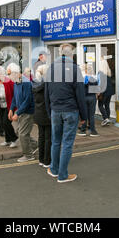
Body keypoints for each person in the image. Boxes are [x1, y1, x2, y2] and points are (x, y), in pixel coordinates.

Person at [44, 43, 87, 183]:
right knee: (67, 143)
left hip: (55, 110)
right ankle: (62, 175)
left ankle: (54, 169)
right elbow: (80, 94)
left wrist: (49, 111)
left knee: (56, 141)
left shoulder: (51, 68)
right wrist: (84, 116)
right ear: (71, 54)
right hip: (70, 111)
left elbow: (46, 92)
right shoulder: (75, 69)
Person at [8, 64, 37, 163]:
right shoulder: (16, 82)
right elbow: (15, 98)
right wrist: (11, 109)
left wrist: (18, 112)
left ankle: (28, 155)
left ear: (16, 73)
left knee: (23, 134)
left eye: (10, 74)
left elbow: (27, 100)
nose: (9, 77)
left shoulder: (26, 83)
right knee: (21, 131)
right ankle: (35, 145)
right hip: (21, 111)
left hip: (27, 112)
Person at [0, 66, 18, 148]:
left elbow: (15, 93)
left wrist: (15, 108)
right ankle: (7, 140)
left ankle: (14, 139)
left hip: (9, 105)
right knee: (3, 123)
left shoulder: (8, 82)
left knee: (6, 122)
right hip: (0, 105)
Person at [32, 64, 51, 168]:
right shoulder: (47, 84)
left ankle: (41, 159)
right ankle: (47, 161)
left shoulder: (34, 83)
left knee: (41, 137)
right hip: (47, 114)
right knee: (48, 138)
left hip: (38, 113)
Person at [78, 63, 99, 137]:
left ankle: (83, 130)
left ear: (86, 71)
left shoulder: (83, 78)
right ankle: (93, 131)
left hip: (84, 98)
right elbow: (97, 91)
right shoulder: (95, 79)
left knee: (84, 115)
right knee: (91, 115)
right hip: (92, 98)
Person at [97, 58, 115, 126]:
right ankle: (108, 119)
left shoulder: (100, 73)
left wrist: (98, 92)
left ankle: (106, 118)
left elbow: (99, 83)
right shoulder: (108, 72)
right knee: (107, 105)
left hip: (103, 91)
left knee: (100, 105)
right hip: (109, 91)